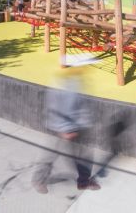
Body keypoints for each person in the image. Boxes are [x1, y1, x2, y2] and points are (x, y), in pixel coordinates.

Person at [33, 63, 100, 193]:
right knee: (49, 154)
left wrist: (85, 124)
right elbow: (55, 108)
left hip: (77, 128)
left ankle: (84, 182)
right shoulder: (62, 84)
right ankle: (38, 180)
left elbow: (81, 106)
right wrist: (64, 128)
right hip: (59, 128)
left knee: (85, 156)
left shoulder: (78, 82)